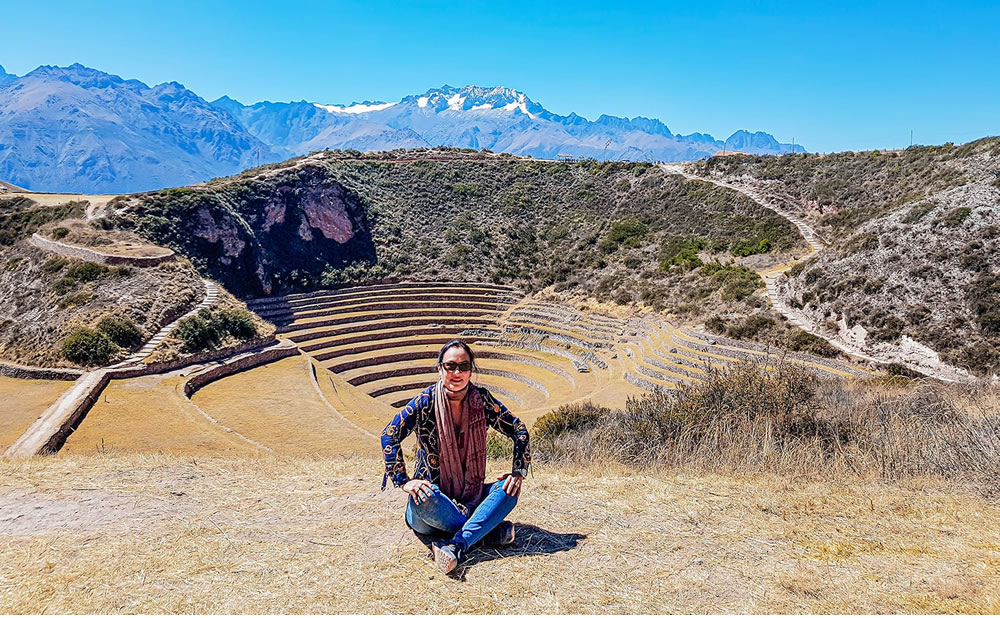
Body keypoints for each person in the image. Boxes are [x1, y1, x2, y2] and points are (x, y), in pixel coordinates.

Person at [381, 339, 531, 574]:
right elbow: (389, 435)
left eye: (464, 366)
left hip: (470, 495)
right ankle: (484, 532)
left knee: (508, 492)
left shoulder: (482, 400)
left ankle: (456, 544)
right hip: (432, 505)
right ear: (440, 368)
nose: (457, 372)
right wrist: (404, 482)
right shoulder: (425, 402)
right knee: (427, 497)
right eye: (450, 366)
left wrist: (518, 472)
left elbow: (518, 430)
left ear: (471, 369)